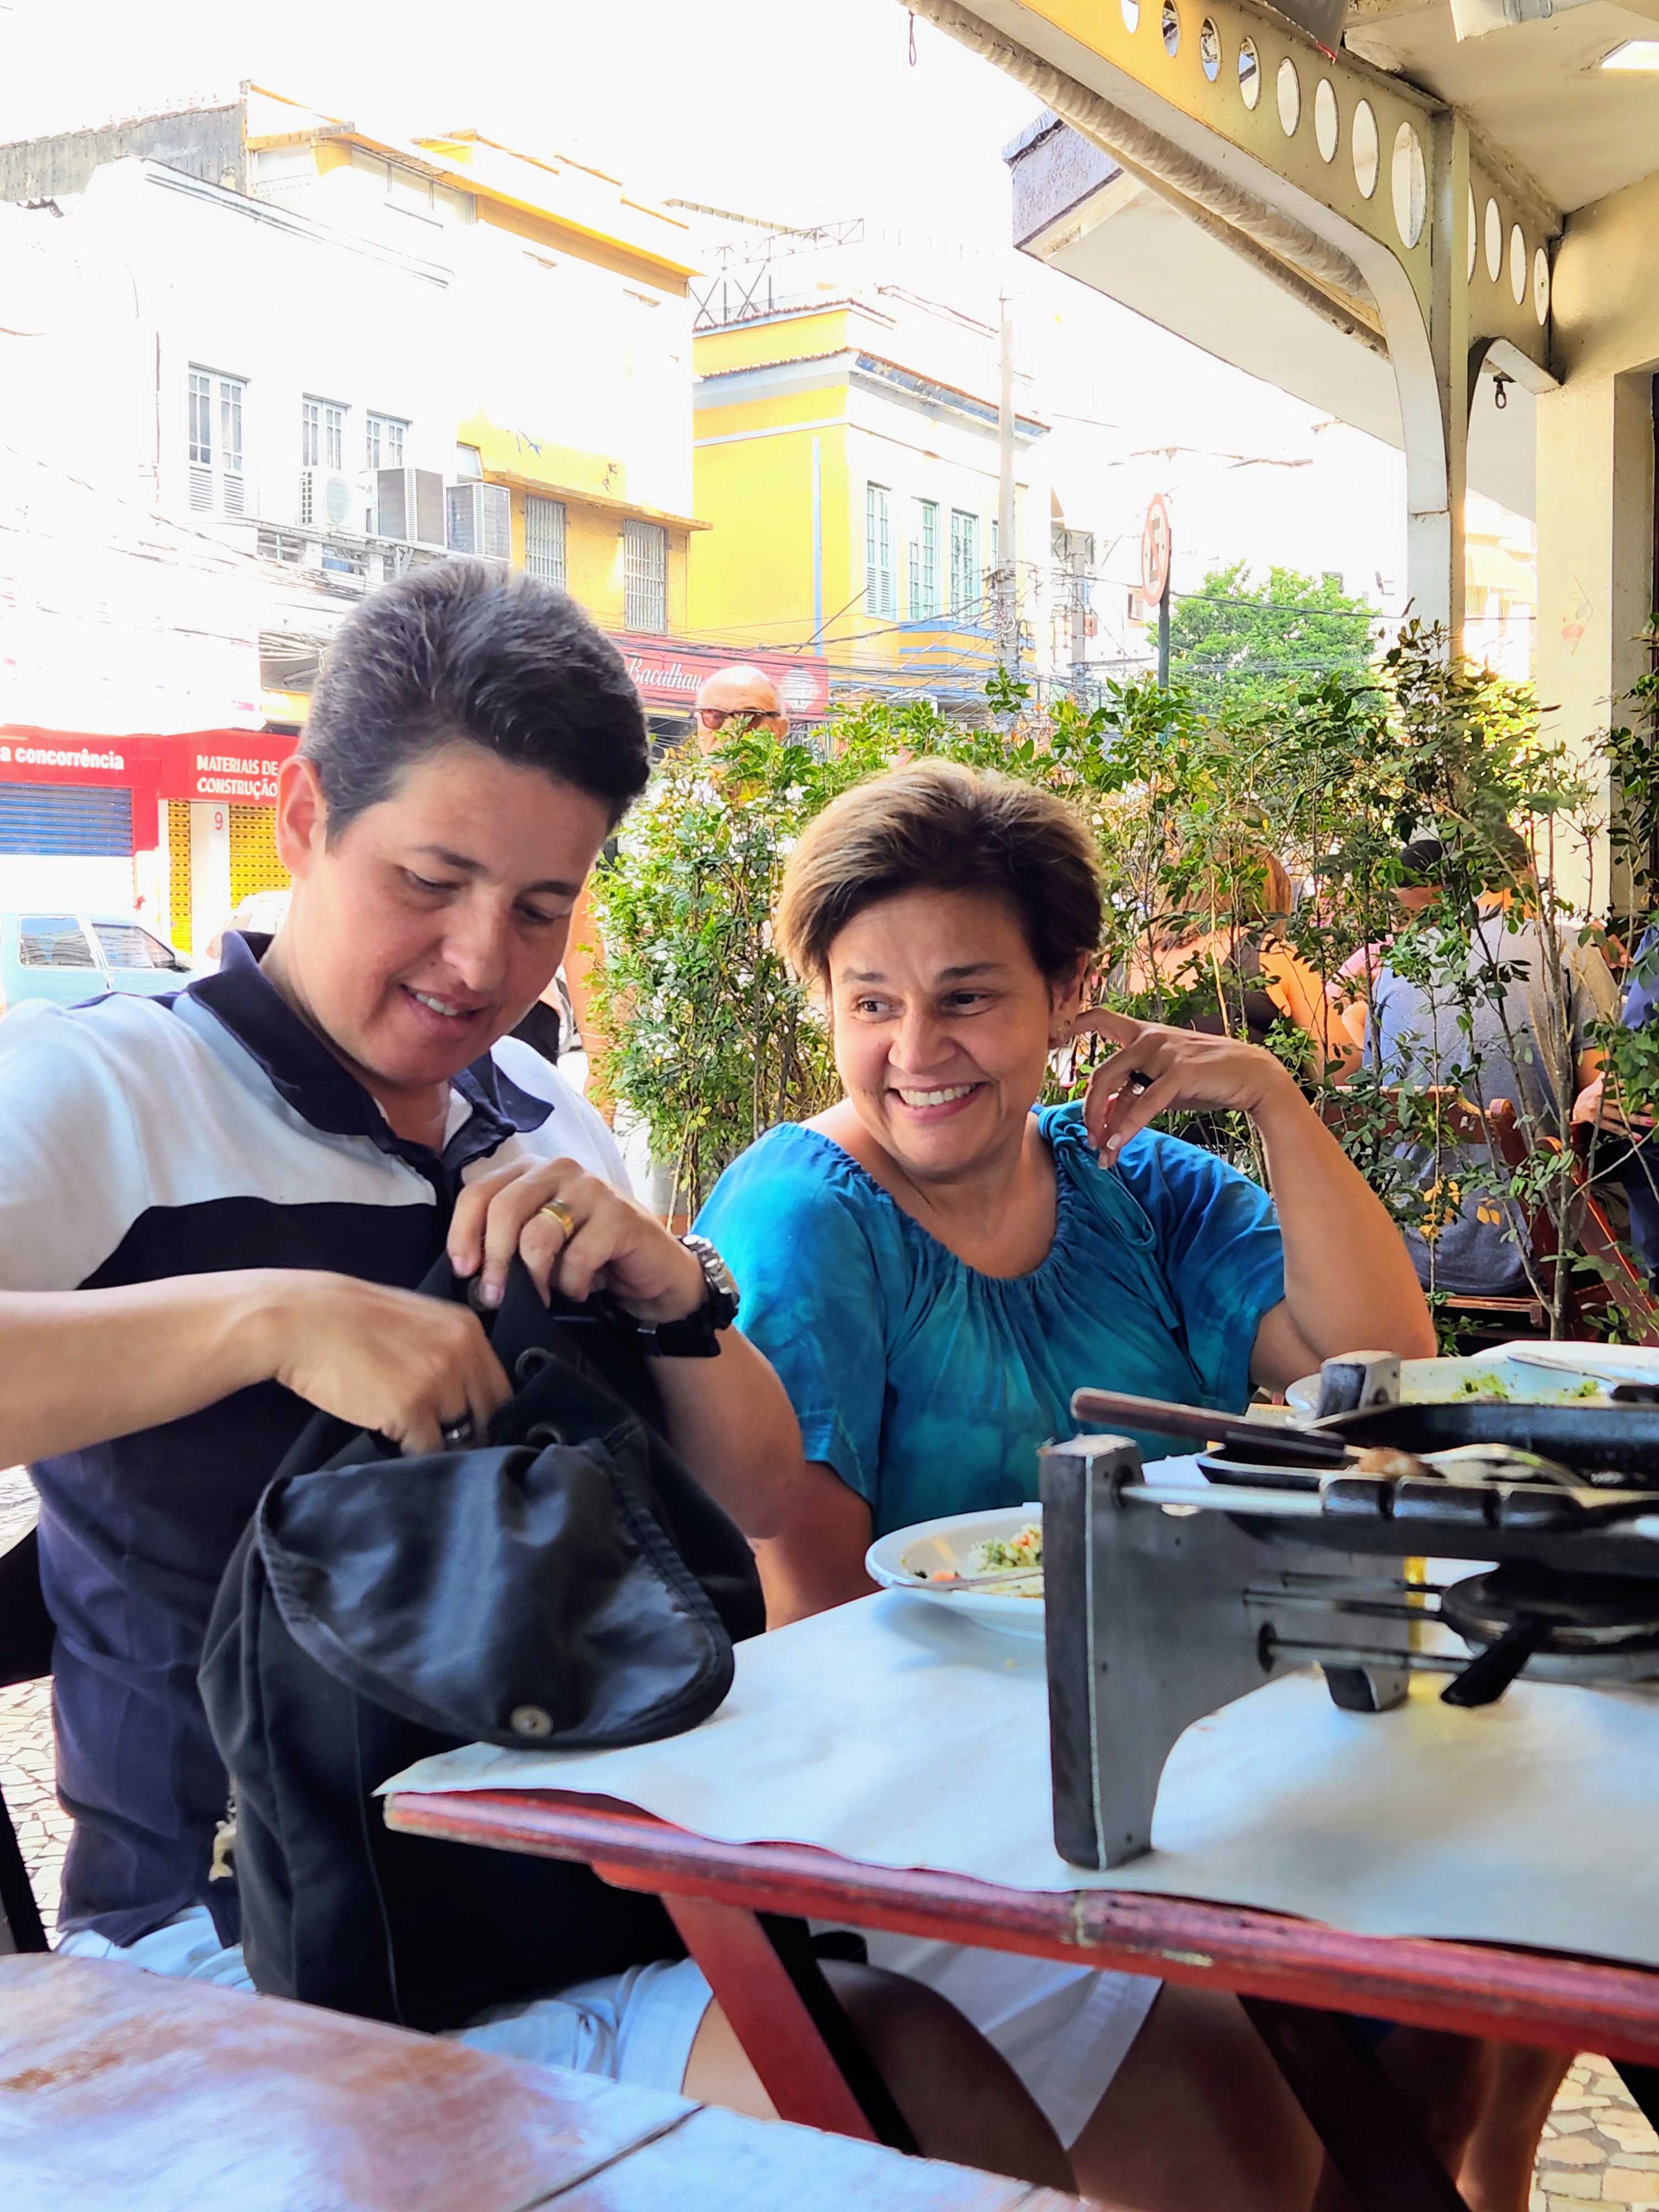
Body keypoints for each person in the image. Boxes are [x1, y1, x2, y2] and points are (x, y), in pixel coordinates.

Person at [0, 566, 1067, 2191]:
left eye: (542, 905)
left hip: (559, 1897)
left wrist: (674, 1295)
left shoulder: (540, 1122)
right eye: (431, 880)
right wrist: (269, 1318)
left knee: (921, 2074)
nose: (478, 957)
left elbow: (759, 1492)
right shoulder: (112, 1091)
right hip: (237, 1951)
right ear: (300, 816)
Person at [694, 759, 1438, 2209]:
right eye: (871, 1001)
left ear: (1068, 991)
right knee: (1269, 2090)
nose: (918, 1047)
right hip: (944, 1827)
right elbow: (812, 1608)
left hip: (1203, 1755)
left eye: (968, 996)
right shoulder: (804, 1219)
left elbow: (1371, 1365)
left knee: (1464, 2015)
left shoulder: (1128, 1182)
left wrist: (1273, 1098)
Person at [1355, 836, 1618, 1298]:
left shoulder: (1397, 967)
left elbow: (1375, 1099)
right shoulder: (1567, 948)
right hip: (1538, 1249)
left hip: (1414, 1252)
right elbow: (1604, 1098)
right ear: (1527, 870)